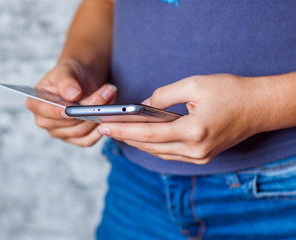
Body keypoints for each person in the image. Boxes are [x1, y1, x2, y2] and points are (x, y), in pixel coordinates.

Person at [26, 0, 296, 239]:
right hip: (135, 184)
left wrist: (260, 104)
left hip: (281, 192)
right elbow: (105, 4)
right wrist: (80, 66)